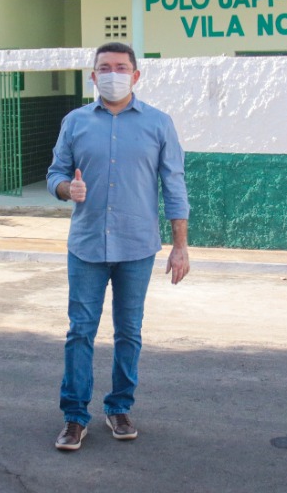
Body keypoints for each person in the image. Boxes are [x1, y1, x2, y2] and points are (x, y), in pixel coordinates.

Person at [46, 41, 190, 452]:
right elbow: (55, 171)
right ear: (93, 76)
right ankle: (75, 417)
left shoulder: (159, 124)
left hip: (137, 246)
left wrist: (180, 246)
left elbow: (174, 186)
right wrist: (64, 188)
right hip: (87, 245)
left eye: (121, 67)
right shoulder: (74, 122)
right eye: (104, 67)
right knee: (80, 332)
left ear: (136, 75)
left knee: (129, 332)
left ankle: (119, 406)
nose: (113, 73)